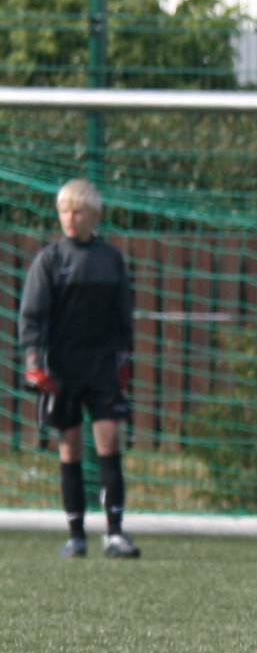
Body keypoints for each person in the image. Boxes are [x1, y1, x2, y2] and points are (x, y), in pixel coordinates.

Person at [19, 179, 140, 559]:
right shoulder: (50, 260)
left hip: (102, 366)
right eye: (64, 211)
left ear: (94, 216)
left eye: (78, 211)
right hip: (62, 369)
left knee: (109, 438)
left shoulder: (110, 259)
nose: (70, 218)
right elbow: (32, 316)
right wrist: (33, 361)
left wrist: (124, 357)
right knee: (69, 446)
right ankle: (76, 536)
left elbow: (123, 315)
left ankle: (115, 534)